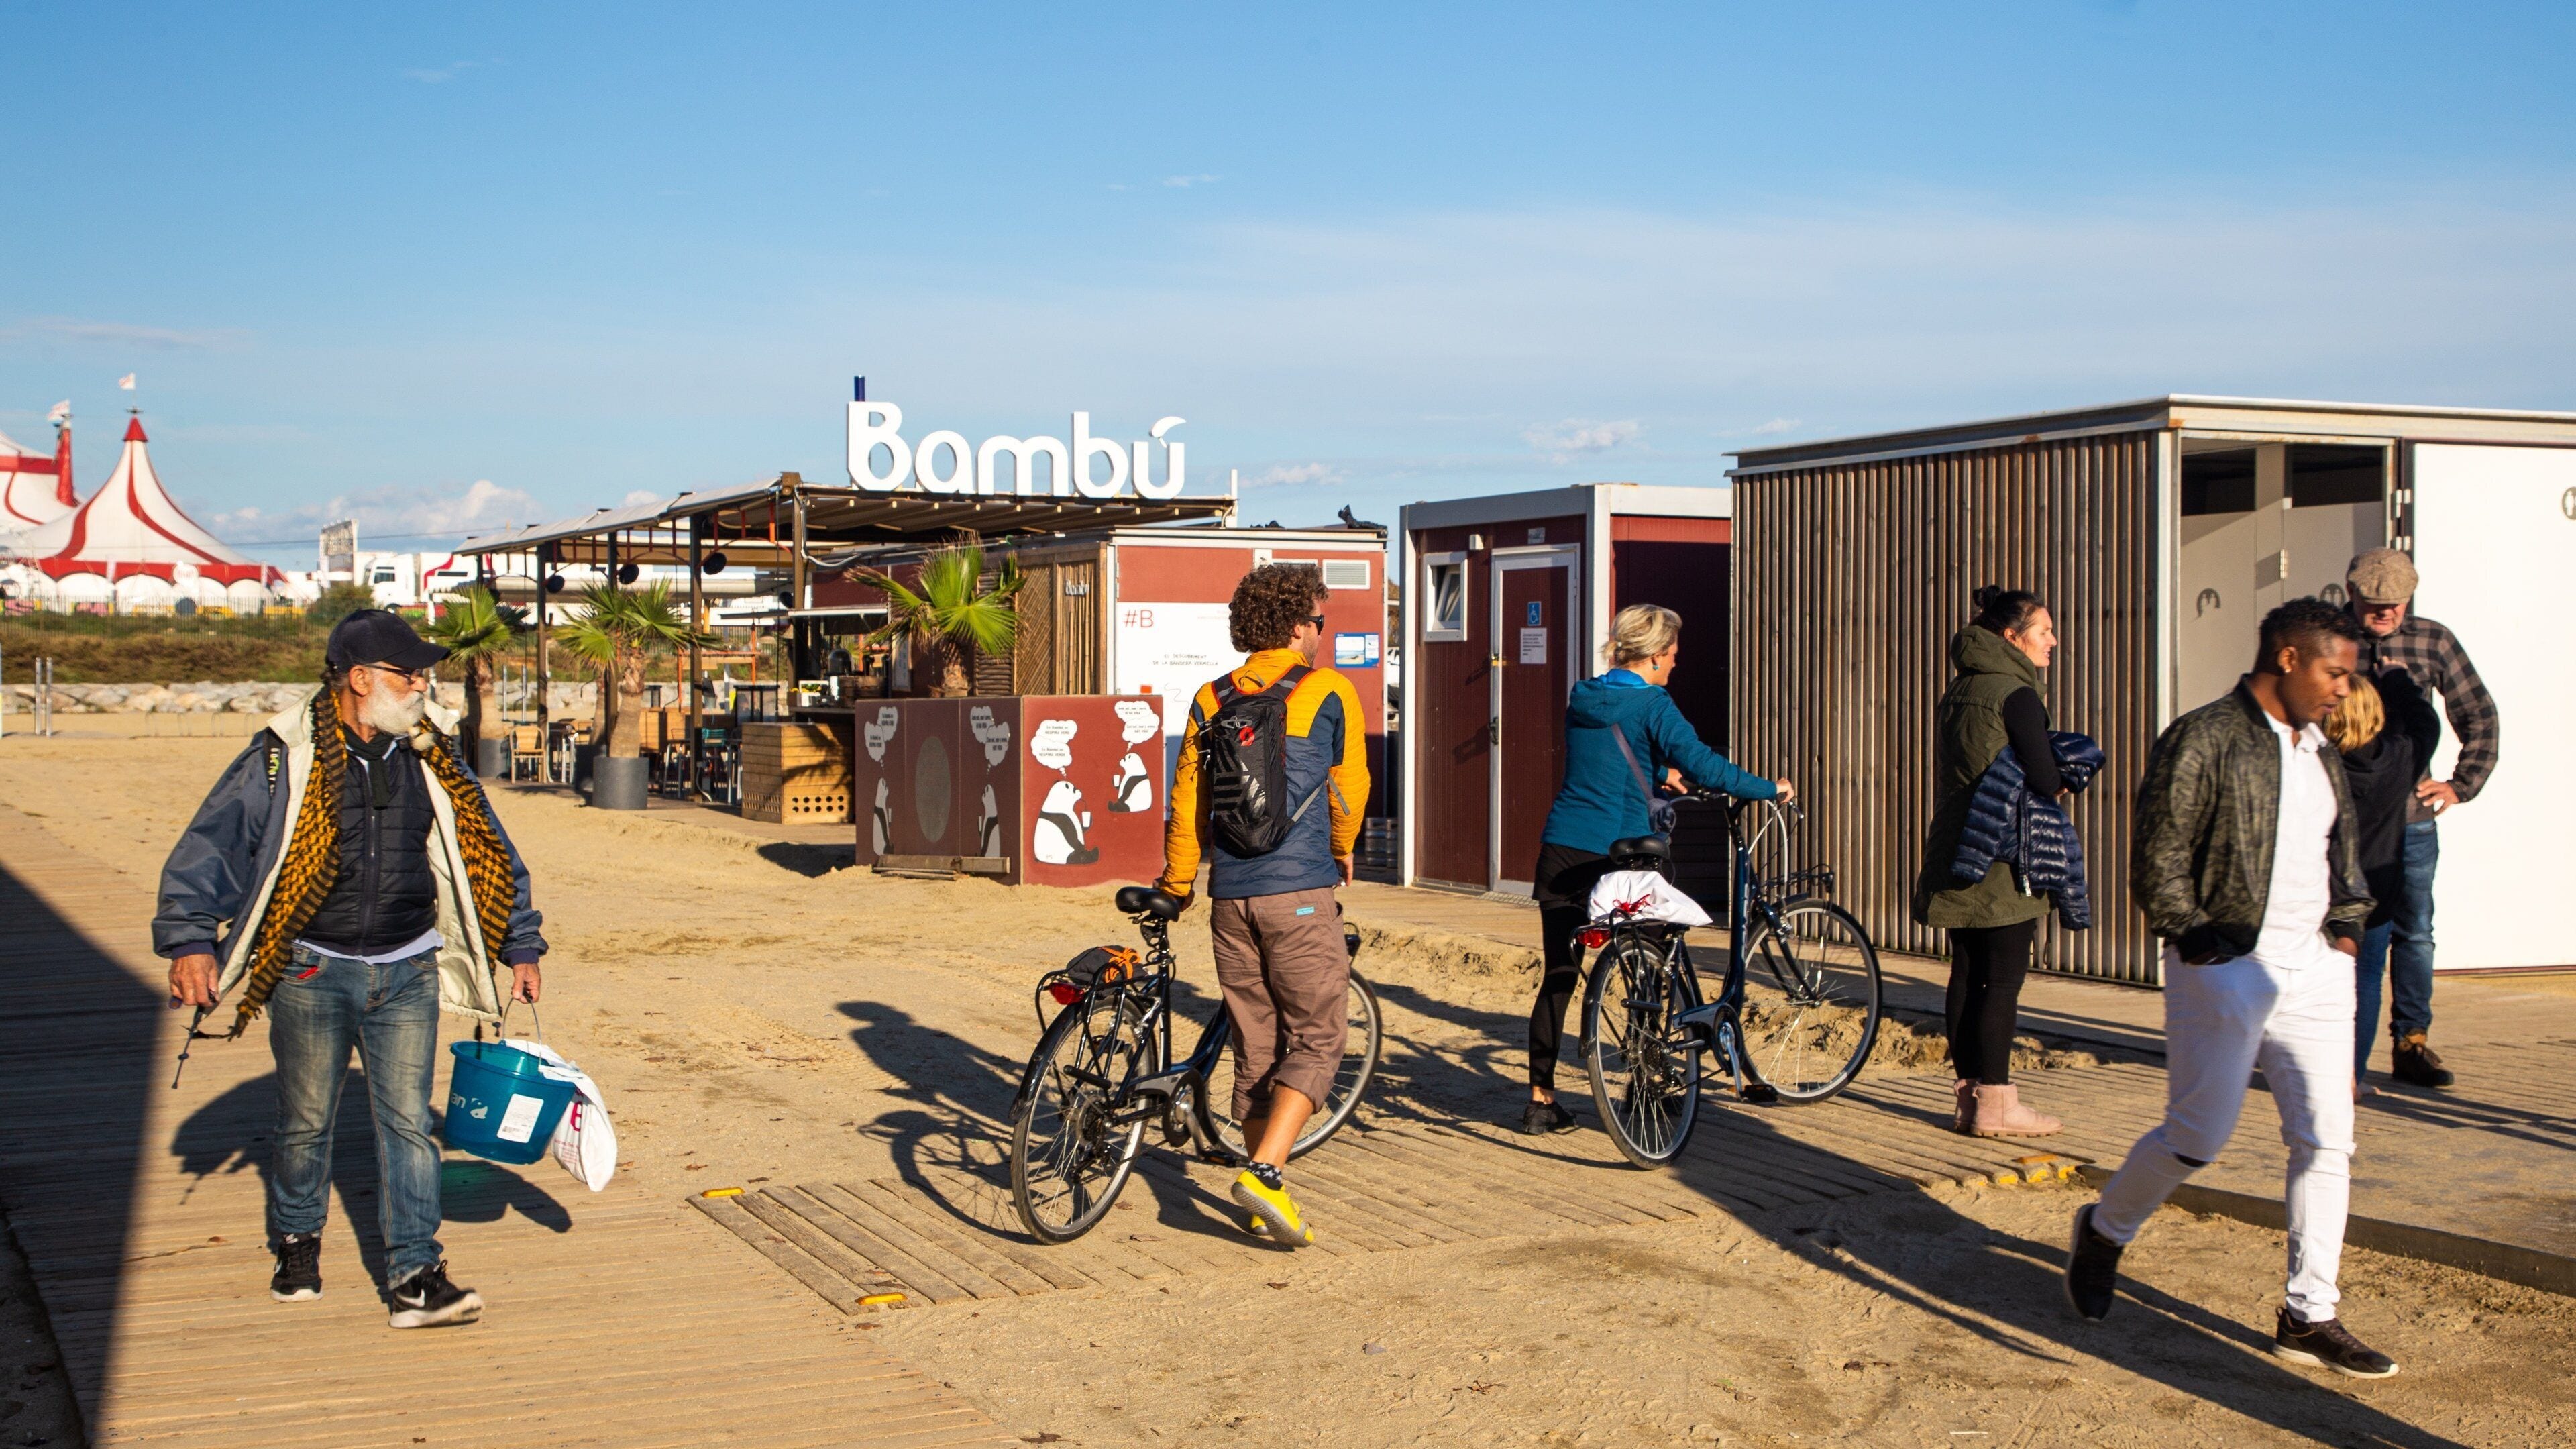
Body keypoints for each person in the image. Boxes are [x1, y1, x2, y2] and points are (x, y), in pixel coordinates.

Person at [157, 610, 548, 1329]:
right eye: (410, 675)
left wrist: (519, 945)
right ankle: (298, 1241)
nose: (423, 687)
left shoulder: (433, 758)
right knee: (307, 1123)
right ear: (360, 680)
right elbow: (209, 849)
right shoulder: (282, 757)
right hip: (312, 968)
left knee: (408, 1126)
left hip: (409, 968)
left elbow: (493, 853)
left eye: (424, 675)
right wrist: (188, 941)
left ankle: (414, 1274)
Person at [2066, 598, 2397, 1378]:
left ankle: (2309, 1313)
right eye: (2334, 672)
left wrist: (2346, 934)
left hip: (2316, 969)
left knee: (2327, 1139)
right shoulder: (2204, 736)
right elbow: (2159, 852)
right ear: (2288, 658)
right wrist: (2197, 937)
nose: (2343, 691)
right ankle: (2106, 1229)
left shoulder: (2318, 745)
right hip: (2227, 966)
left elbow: (2340, 850)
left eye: (2349, 676)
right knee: (2197, 1138)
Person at [1157, 563, 1370, 1246]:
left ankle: (1257, 1191)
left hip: (1231, 899)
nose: (1322, 636)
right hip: (1298, 892)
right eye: (1320, 623)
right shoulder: (1328, 691)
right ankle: (1266, 1175)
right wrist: (1341, 848)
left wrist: (1179, 881)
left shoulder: (1209, 696)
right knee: (1318, 1036)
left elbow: (1186, 801)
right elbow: (1349, 789)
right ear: (1299, 625)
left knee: (1256, 1044)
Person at [1521, 603, 1788, 1136]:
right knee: (1650, 967)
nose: (1674, 667)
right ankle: (1645, 1084)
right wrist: (1768, 788)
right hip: (1623, 855)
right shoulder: (1654, 703)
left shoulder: (1584, 695)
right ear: (1656, 656)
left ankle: (1540, 1100)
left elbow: (1604, 753)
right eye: (1672, 657)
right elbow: (1706, 766)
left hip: (1563, 850)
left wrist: (1656, 770)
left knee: (1559, 976)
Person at [1913, 586, 2072, 1138]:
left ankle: (1969, 1099)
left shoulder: (1959, 690)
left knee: (1965, 974)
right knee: (2001, 982)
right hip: (2005, 854)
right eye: (2044, 631)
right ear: (2012, 637)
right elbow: (2046, 779)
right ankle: (1999, 1104)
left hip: (1955, 844)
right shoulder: (2018, 694)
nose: (2054, 640)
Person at [2346, 547, 2498, 1090]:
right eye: (2374, 603)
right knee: (2355, 938)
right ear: (2351, 592)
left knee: (2416, 932)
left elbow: (2478, 714)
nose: (2385, 613)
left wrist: (2460, 785)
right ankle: (2339, 1055)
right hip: (2342, 823)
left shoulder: (2433, 639)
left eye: (2396, 603)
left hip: (2410, 820)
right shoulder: (2329, 637)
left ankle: (2412, 1041)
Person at [2323, 676, 2417, 1098]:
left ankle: (2313, 1069)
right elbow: (2427, 725)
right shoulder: (2399, 759)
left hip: (2325, 892)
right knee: (2366, 981)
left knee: (2318, 985)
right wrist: (2400, 685)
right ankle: (2352, 1077)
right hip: (2377, 892)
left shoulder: (2318, 762)